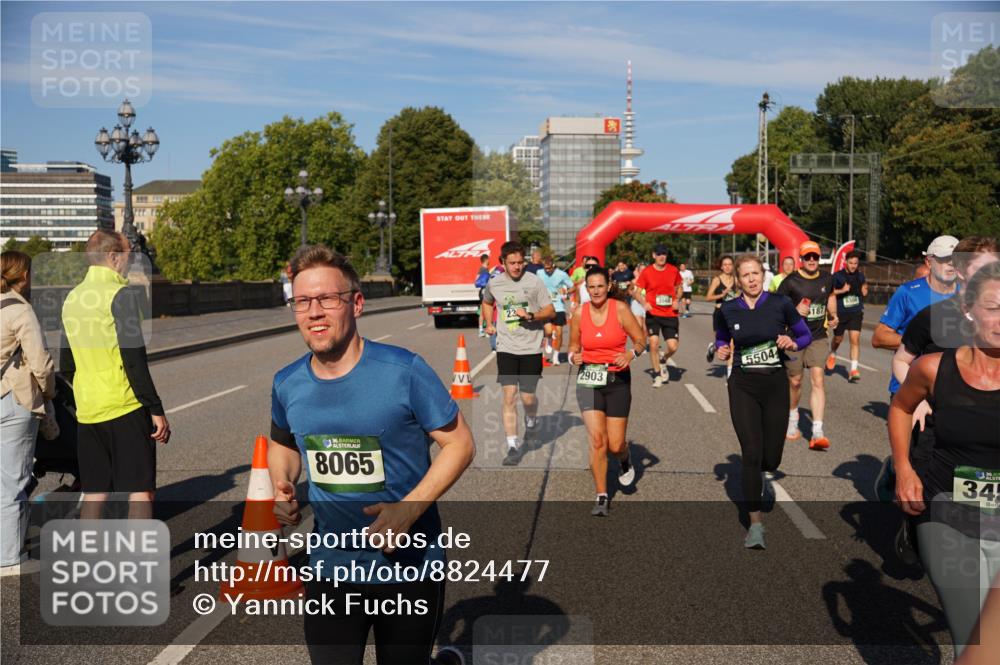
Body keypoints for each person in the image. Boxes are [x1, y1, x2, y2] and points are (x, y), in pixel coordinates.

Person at [270, 245, 475, 665]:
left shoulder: (405, 371)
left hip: (410, 567)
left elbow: (460, 444)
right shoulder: (287, 383)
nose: (314, 312)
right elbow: (284, 443)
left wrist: (408, 510)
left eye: (328, 298)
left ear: (356, 303)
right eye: (303, 301)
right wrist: (282, 484)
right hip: (331, 567)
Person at [888, 261, 1000, 659]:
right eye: (993, 308)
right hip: (948, 515)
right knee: (974, 640)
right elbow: (901, 409)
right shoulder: (934, 369)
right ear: (969, 310)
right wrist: (904, 469)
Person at [61, 231, 169, 520]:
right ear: (112, 257)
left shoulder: (72, 298)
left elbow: (66, 364)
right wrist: (155, 408)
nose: (131, 261)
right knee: (140, 491)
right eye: (128, 255)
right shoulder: (121, 295)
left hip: (88, 411)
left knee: (95, 492)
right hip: (124, 406)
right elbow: (134, 361)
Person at [715, 255, 812, 548]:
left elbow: (804, 334)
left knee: (771, 458)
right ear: (739, 280)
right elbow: (721, 337)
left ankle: (764, 478)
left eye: (755, 273)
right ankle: (755, 524)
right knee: (751, 452)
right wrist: (722, 349)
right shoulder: (728, 309)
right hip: (742, 385)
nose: (752, 279)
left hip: (774, 385)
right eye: (745, 275)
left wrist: (792, 342)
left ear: (763, 275)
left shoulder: (780, 304)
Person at [569, 266, 646, 516]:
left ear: (608, 285)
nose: (596, 291)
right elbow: (572, 344)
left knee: (614, 444)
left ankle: (624, 458)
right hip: (589, 380)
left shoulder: (620, 309)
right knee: (598, 441)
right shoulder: (580, 313)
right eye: (591, 287)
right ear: (586, 288)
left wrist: (630, 354)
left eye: (600, 286)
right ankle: (602, 495)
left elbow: (640, 340)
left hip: (617, 380)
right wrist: (573, 356)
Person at [1, 251, 56, 567]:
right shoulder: (21, 311)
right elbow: (41, 363)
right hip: (14, 400)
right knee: (13, 482)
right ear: (23, 277)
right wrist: (48, 394)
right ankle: (9, 558)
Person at [481, 241, 555, 465]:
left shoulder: (534, 282)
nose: (516, 267)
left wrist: (531, 315)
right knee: (509, 397)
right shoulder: (494, 284)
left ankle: (531, 421)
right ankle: (513, 446)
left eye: (520, 262)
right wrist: (488, 322)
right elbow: (486, 302)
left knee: (528, 398)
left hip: (531, 347)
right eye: (512, 263)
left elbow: (550, 310)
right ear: (502, 262)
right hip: (506, 347)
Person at [776, 241, 838, 450]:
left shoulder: (827, 279)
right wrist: (794, 311)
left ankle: (817, 431)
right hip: (793, 338)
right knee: (795, 381)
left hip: (818, 336)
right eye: (807, 257)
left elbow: (830, 297)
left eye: (815, 257)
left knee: (818, 378)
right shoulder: (791, 282)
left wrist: (833, 314)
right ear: (801, 259)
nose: (812, 261)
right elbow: (778, 309)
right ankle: (792, 419)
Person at [872, 236, 960, 370]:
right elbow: (879, 337)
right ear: (929, 262)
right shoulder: (908, 292)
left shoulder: (970, 294)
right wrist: (922, 341)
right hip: (909, 383)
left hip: (952, 385)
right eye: (944, 259)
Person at [635, 245, 683, 387]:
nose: (662, 256)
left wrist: (677, 299)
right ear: (653, 255)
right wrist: (644, 303)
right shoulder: (647, 272)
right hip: (653, 314)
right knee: (654, 343)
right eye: (659, 254)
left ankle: (664, 358)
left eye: (664, 254)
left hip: (670, 314)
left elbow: (679, 287)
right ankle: (656, 375)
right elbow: (637, 292)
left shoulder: (673, 270)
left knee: (673, 347)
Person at [827, 250, 869, 381]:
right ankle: (833, 353)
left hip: (855, 312)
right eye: (851, 263)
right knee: (838, 339)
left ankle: (853, 369)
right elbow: (830, 292)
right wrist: (842, 290)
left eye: (855, 263)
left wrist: (865, 290)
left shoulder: (861, 276)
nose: (853, 266)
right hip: (840, 312)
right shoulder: (837, 276)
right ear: (846, 262)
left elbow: (865, 288)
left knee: (855, 339)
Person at [704, 255, 739, 370]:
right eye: (725, 265)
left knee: (732, 343)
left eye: (730, 264)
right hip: (720, 313)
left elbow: (739, 294)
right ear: (721, 267)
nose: (728, 267)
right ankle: (714, 347)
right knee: (721, 342)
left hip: (733, 313)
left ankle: (729, 375)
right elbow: (708, 297)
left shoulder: (736, 279)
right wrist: (722, 295)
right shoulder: (717, 279)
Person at [537, 256, 574, 365]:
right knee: (548, 331)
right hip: (545, 306)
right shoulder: (539, 272)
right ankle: (548, 339)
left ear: (553, 266)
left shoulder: (561, 274)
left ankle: (555, 357)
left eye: (549, 268)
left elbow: (573, 287)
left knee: (559, 333)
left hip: (558, 307)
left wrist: (566, 293)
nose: (547, 271)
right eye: (545, 268)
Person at [475, 253, 491, 337]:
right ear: (486, 260)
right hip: (484, 292)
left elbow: (476, 280)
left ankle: (481, 330)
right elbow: (477, 280)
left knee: (483, 311)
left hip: (482, 292)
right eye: (489, 259)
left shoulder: (482, 269)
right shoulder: (484, 269)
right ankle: (484, 330)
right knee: (485, 311)